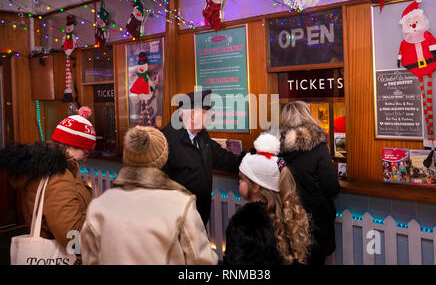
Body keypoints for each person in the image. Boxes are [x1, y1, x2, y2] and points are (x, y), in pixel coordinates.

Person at [80, 126, 218, 265]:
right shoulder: (181, 204)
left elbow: (89, 259)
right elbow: (202, 261)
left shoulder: (98, 205)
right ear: (163, 158)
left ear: (127, 157)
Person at [0, 107, 95, 251]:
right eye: (86, 151)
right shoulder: (59, 177)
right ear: (69, 146)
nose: (86, 157)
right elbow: (70, 237)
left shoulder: (46, 168)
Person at [224, 133, 311, 265]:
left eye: (241, 179)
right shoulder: (287, 214)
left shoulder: (245, 224)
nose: (239, 182)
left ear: (255, 186)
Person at [161, 89, 243, 225]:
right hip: (177, 222)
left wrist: (252, 161)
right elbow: (160, 187)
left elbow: (225, 159)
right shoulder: (165, 141)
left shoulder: (202, 136)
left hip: (199, 218)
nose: (212, 115)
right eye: (207, 113)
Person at [278, 100, 340, 265]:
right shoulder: (318, 147)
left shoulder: (276, 148)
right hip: (315, 220)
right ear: (308, 116)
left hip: (287, 217)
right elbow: (331, 187)